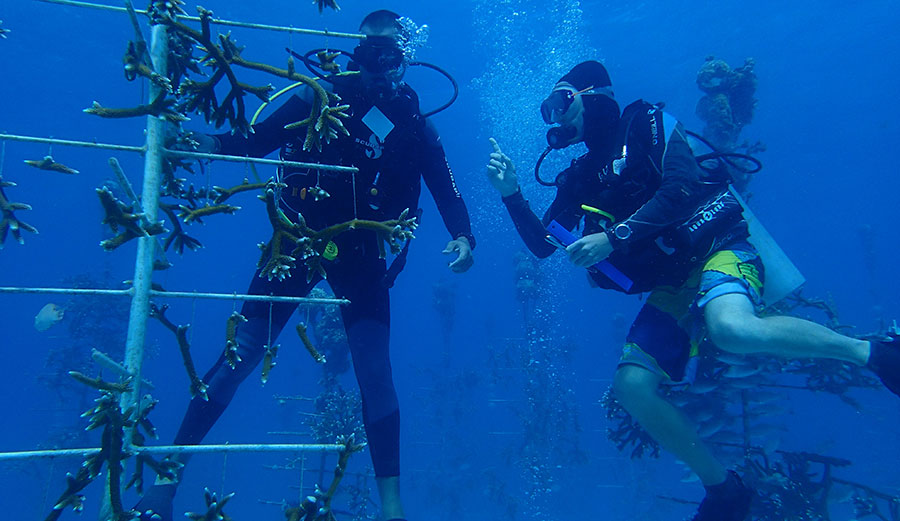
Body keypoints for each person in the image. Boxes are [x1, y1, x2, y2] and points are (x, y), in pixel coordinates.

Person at [485, 60, 899, 521]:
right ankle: (724, 489)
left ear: (594, 95)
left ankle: (876, 352)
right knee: (632, 385)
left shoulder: (644, 121)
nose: (557, 117)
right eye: (548, 110)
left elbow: (681, 187)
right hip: (673, 282)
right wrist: (511, 194)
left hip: (716, 244)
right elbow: (545, 246)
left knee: (731, 328)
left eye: (562, 102)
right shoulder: (582, 175)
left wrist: (613, 238)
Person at [135, 10, 475, 521]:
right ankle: (166, 481)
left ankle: (393, 509)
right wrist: (201, 143)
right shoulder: (320, 92)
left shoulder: (413, 120)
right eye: (367, 48)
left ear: (404, 57)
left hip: (362, 253)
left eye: (388, 51)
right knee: (241, 354)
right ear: (354, 48)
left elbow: (445, 188)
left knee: (376, 373)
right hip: (296, 239)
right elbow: (256, 140)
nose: (376, 61)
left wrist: (464, 237)